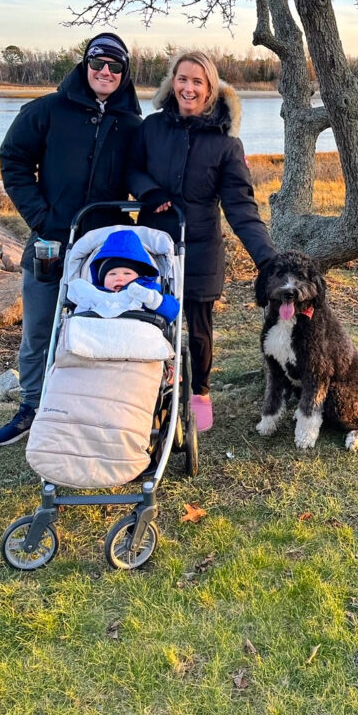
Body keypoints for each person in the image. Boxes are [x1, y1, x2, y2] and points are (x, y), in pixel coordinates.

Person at [0, 33, 143, 446]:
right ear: (84, 65)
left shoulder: (131, 123)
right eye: (98, 63)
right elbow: (14, 161)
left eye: (115, 66)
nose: (105, 72)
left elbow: (140, 174)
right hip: (49, 242)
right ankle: (31, 407)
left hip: (101, 249)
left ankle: (87, 409)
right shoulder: (47, 110)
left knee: (97, 326)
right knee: (40, 329)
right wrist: (41, 217)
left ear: (125, 73)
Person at [127, 49, 276, 432]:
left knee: (198, 327)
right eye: (182, 79)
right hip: (154, 241)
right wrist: (149, 191)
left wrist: (267, 259)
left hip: (201, 247)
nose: (188, 88)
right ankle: (155, 385)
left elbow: (241, 208)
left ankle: (201, 391)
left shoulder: (226, 144)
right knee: (149, 315)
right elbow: (131, 168)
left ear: (210, 89)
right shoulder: (151, 127)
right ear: (171, 83)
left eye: (197, 81)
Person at [65, 228, 179, 321]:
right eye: (112, 274)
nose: (119, 278)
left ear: (139, 276)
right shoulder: (94, 293)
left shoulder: (146, 290)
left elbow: (171, 311)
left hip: (139, 340)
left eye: (127, 273)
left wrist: (153, 300)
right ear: (102, 279)